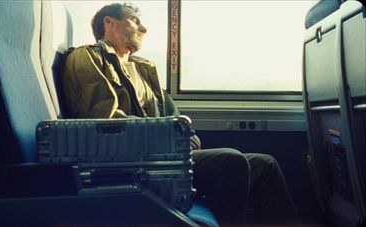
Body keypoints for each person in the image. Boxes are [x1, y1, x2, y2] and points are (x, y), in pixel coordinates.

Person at [60, 3, 298, 225]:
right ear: (109, 22)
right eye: (134, 20)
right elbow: (105, 122)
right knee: (230, 160)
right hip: (128, 162)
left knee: (265, 165)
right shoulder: (87, 57)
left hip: (164, 156)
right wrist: (172, 137)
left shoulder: (144, 70)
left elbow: (171, 114)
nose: (144, 28)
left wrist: (187, 134)